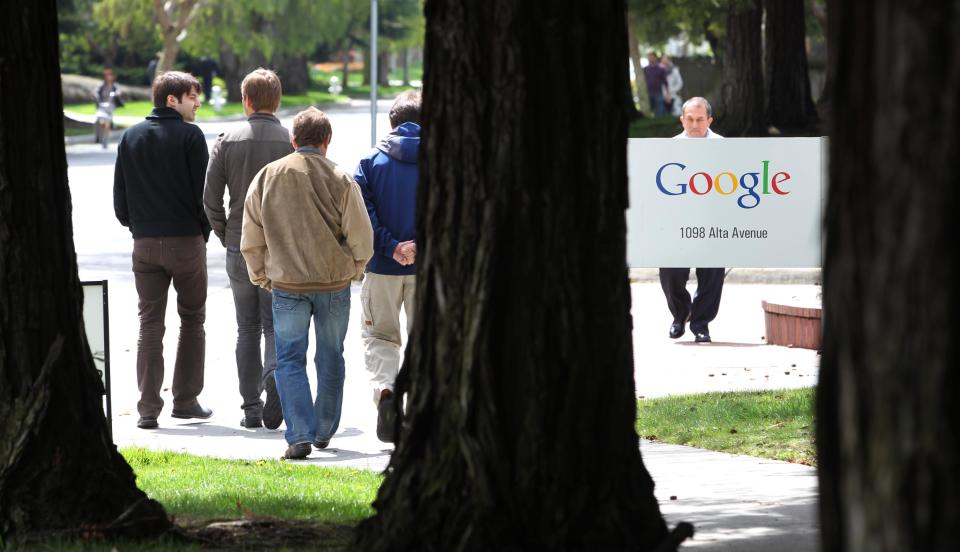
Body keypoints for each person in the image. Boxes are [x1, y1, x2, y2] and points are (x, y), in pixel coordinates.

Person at [242, 107, 373, 460]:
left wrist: (261, 275)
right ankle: (325, 429)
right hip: (333, 283)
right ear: (327, 141)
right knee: (331, 356)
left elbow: (251, 235)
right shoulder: (341, 179)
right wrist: (354, 270)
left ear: (293, 140)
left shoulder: (268, 176)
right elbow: (362, 236)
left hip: (287, 284)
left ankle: (298, 434)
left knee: (289, 359)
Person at [113, 71, 212, 429]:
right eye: (191, 97)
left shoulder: (130, 137)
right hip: (186, 241)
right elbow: (204, 195)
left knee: (149, 325)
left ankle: (147, 408)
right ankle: (185, 401)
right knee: (192, 320)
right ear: (172, 99)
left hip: (144, 245)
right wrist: (203, 231)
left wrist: (138, 227)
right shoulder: (190, 136)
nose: (197, 103)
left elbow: (120, 201)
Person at [203, 68, 293, 430]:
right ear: (278, 100)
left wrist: (226, 235)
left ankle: (251, 408)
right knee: (275, 325)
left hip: (240, 242)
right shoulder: (289, 140)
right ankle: (274, 374)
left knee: (246, 327)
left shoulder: (227, 139)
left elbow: (210, 199)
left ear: (247, 100)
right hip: (279, 247)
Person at [353, 90, 420, 443]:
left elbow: (362, 217)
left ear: (391, 122)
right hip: (427, 269)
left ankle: (386, 393)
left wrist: (392, 247)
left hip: (382, 267)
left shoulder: (369, 162)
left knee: (380, 337)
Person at [659, 97, 725, 343]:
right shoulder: (669, 148)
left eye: (700, 119)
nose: (695, 124)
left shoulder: (725, 147)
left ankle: (701, 324)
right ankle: (680, 314)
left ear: (709, 120)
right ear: (682, 120)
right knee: (670, 273)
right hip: (677, 223)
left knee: (712, 275)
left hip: (713, 223)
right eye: (690, 119)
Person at [642, 51, 668, 117]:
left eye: (651, 57)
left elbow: (665, 82)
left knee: (659, 112)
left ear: (655, 57)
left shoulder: (661, 68)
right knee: (650, 111)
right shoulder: (645, 69)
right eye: (649, 57)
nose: (650, 58)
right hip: (648, 93)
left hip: (658, 93)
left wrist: (667, 93)